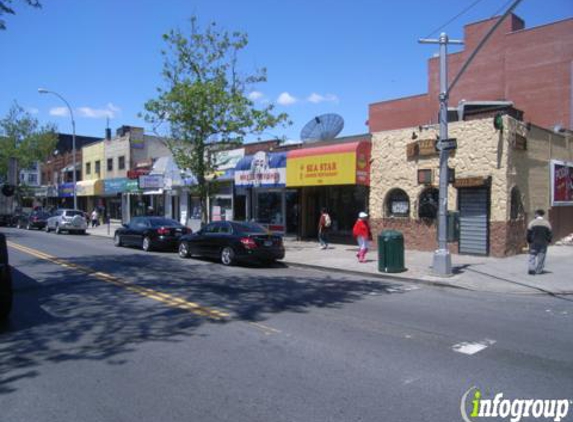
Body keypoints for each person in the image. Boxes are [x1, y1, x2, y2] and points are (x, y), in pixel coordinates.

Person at [526, 209, 552, 275]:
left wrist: (529, 240)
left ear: (537, 214)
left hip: (534, 242)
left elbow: (528, 233)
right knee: (541, 256)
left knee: (532, 256)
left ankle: (531, 269)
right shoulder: (547, 223)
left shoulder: (532, 223)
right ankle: (539, 270)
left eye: (535, 214)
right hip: (543, 243)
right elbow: (550, 234)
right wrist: (548, 241)